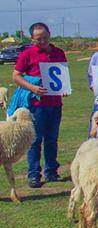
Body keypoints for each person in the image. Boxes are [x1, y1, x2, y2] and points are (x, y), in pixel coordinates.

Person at [12, 22, 68, 187]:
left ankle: (51, 171)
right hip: (36, 105)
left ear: (49, 34)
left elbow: (62, 75)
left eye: (45, 37)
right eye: (38, 39)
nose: (42, 41)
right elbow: (16, 76)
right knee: (35, 140)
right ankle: (34, 174)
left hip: (55, 103)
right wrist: (32, 88)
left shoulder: (59, 52)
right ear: (32, 39)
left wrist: (64, 88)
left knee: (52, 139)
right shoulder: (27, 54)